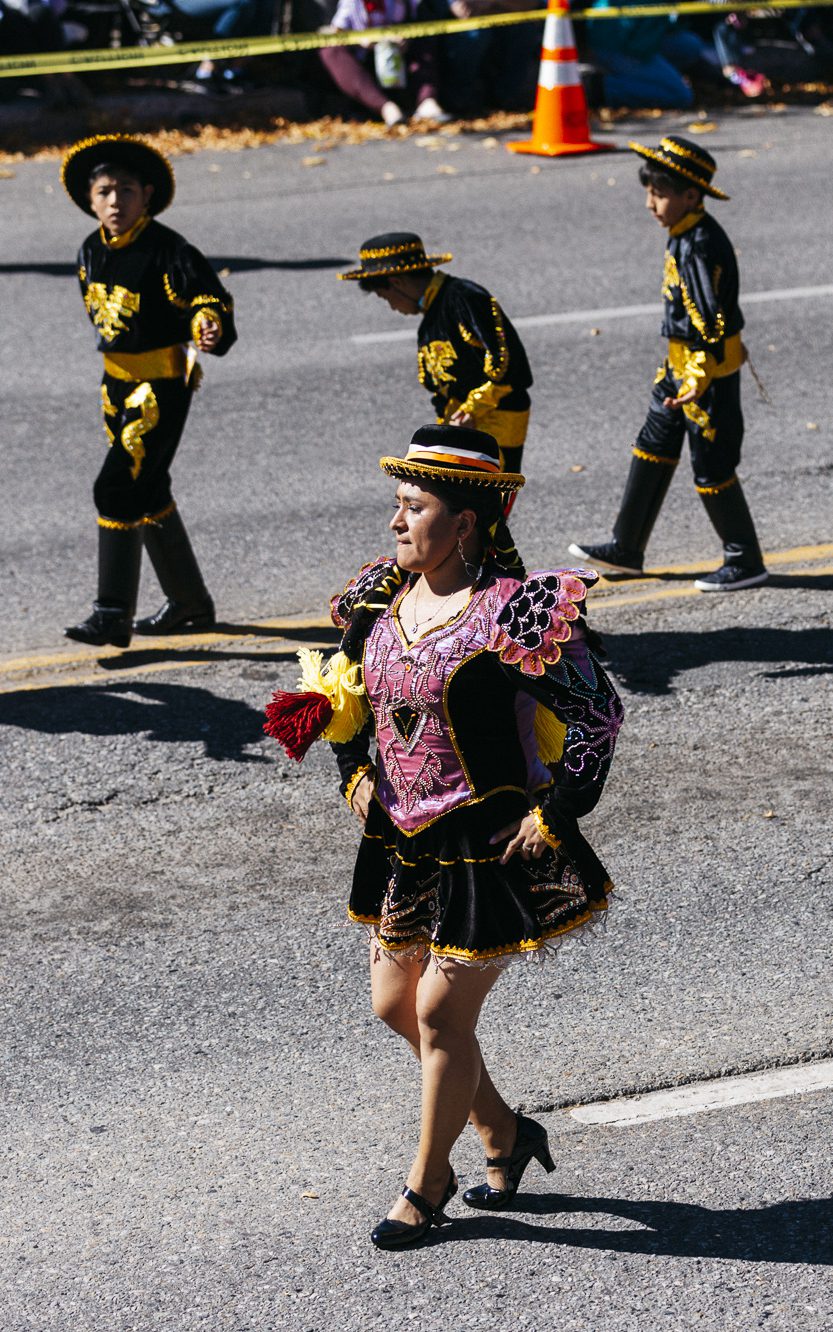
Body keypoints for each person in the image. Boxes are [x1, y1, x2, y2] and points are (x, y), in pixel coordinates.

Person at [264, 424, 624, 1249]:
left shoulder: (512, 615)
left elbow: (596, 714)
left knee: (437, 1014)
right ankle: (503, 1132)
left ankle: (428, 1186)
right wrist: (353, 773)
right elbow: (337, 698)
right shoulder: (377, 601)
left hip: (488, 847)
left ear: (464, 524)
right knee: (396, 1005)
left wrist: (554, 813)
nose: (397, 523)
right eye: (396, 505)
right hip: (402, 839)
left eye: (415, 507)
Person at [60, 134, 237, 648]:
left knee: (115, 487)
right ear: (90, 200)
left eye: (127, 191)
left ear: (147, 195)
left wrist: (207, 322)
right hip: (115, 384)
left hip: (160, 386)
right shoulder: (90, 249)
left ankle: (112, 612)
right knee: (149, 488)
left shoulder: (169, 250)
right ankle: (190, 602)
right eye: (105, 192)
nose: (116, 202)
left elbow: (206, 295)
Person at [570, 136, 768, 592]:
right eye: (649, 193)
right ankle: (627, 547)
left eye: (658, 194)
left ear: (691, 196)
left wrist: (697, 377)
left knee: (712, 466)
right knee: (653, 447)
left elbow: (709, 318)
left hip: (705, 375)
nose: (650, 204)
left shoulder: (699, 243)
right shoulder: (683, 235)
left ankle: (745, 559)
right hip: (677, 369)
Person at [339, 234, 533, 492]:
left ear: (397, 282)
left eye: (385, 297)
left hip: (494, 424)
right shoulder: (431, 318)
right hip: (462, 426)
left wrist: (471, 412)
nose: (391, 307)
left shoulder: (463, 297)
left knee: (483, 510)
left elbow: (510, 363)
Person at [319, 0, 449, 126]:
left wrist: (405, 38)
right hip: (365, 63)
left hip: (399, 61)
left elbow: (417, 21)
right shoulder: (352, 3)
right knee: (330, 51)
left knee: (425, 40)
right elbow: (337, 31)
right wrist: (359, 39)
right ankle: (387, 108)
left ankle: (427, 101)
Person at [585, 0, 724, 109]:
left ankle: (659, 76)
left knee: (689, 45)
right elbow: (638, 43)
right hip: (618, 43)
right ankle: (599, 88)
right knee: (680, 95)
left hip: (634, 34)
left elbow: (668, 22)